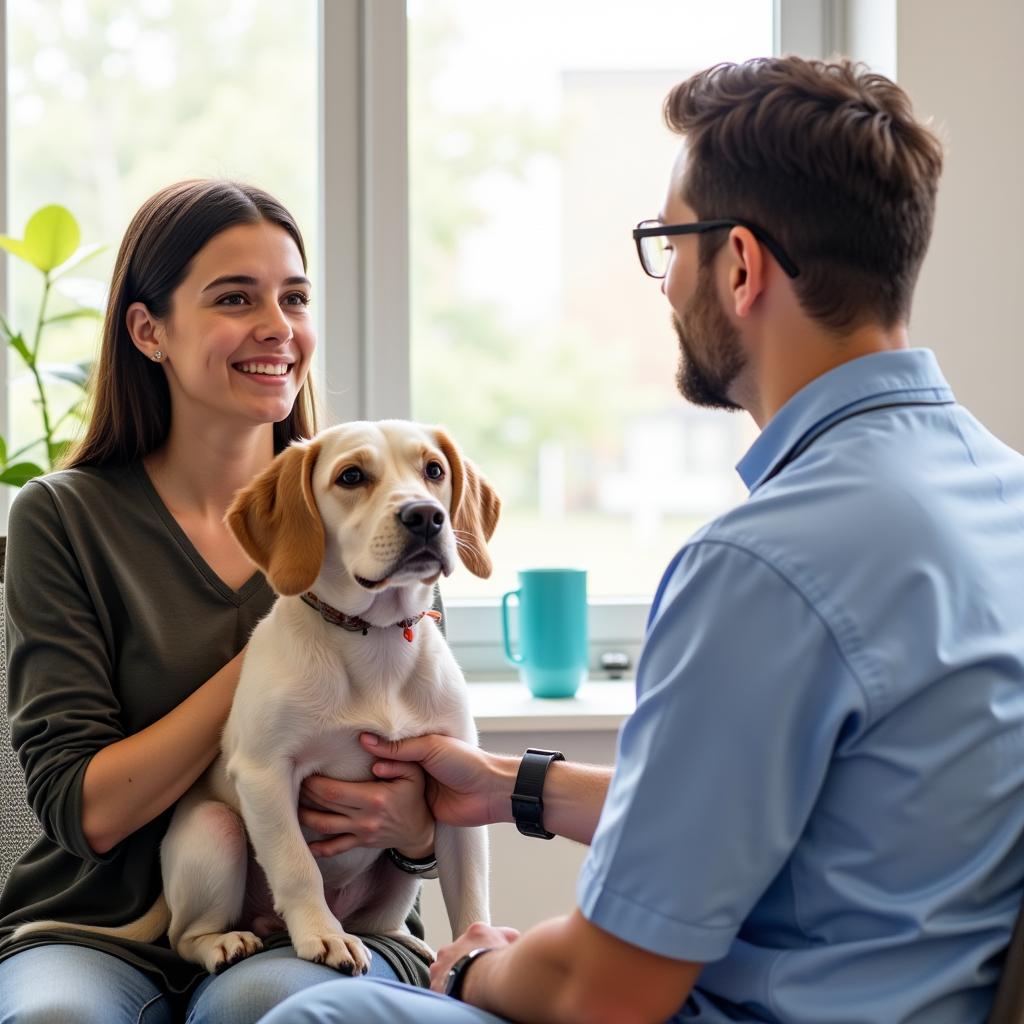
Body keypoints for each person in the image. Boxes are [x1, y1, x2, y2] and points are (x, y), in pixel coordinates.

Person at [257, 55, 1024, 1024]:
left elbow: (607, 991)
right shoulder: (1001, 496)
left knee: (316, 1016)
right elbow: (814, 807)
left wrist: (465, 966)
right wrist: (512, 787)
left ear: (739, 264)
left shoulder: (762, 565)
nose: (664, 286)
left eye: (669, 243)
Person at [0, 179, 438, 1024]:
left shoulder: (375, 499)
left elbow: (423, 783)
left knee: (266, 1008)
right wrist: (277, 654)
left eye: (295, 297)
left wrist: (418, 833)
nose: (278, 326)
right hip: (96, 929)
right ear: (148, 331)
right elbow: (83, 810)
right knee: (58, 1019)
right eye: (236, 298)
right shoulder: (65, 517)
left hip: (330, 922)